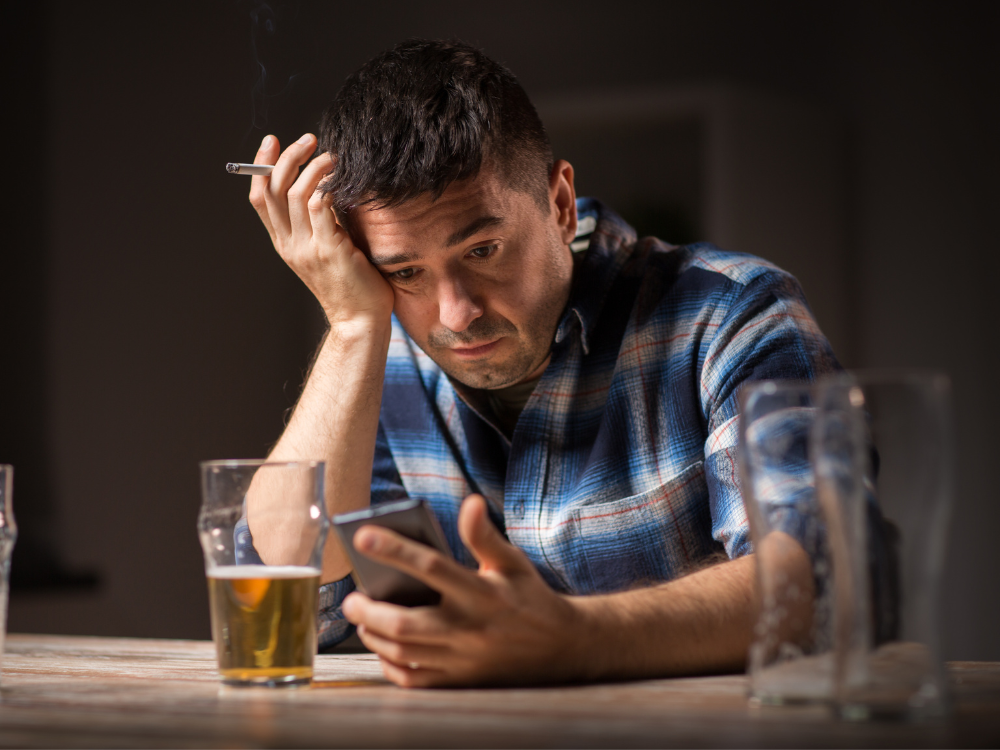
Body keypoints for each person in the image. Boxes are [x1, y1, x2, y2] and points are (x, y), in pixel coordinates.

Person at [246, 39, 838, 688]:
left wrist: (576, 638)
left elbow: (818, 579)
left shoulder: (731, 315)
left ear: (559, 203)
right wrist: (352, 326)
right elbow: (287, 604)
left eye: (482, 250)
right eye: (406, 272)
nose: (455, 315)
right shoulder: (374, 359)